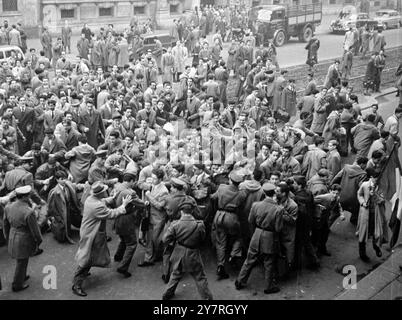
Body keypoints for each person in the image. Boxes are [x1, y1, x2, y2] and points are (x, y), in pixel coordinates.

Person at [72, 182, 132, 297]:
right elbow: (111, 214)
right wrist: (123, 205)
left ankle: (83, 273)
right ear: (101, 193)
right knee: (86, 258)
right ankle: (76, 284)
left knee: (89, 255)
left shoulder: (91, 199)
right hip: (91, 235)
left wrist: (113, 198)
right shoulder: (97, 206)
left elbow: (103, 201)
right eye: (104, 190)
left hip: (89, 233)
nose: (106, 191)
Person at [235, 183, 284, 294]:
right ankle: (268, 286)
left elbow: (250, 220)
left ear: (264, 193)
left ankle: (240, 281)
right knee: (268, 262)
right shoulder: (278, 209)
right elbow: (278, 228)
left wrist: (256, 230)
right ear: (274, 193)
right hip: (269, 237)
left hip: (256, 234)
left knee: (249, 260)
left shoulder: (256, 205)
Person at [162, 197, 213, 300]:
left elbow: (165, 239)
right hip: (193, 253)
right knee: (200, 277)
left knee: (176, 274)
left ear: (181, 211)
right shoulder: (199, 225)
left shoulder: (175, 225)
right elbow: (202, 238)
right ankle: (207, 298)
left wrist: (175, 241)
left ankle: (167, 294)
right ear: (192, 211)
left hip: (179, 252)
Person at [3, 185, 42, 292]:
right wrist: (38, 241)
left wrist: (7, 237)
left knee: (22, 260)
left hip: (12, 235)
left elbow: (5, 224)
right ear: (25, 197)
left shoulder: (8, 207)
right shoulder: (28, 212)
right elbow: (35, 230)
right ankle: (17, 284)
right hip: (23, 239)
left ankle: (23, 276)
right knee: (22, 262)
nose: (29, 197)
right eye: (28, 195)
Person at [210, 171, 247, 279]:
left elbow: (213, 198)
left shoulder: (222, 188)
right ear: (239, 183)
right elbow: (241, 207)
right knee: (239, 237)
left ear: (230, 180)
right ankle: (233, 255)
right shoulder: (242, 193)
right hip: (232, 217)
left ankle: (220, 265)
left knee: (220, 242)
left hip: (219, 216)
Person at [113, 172, 148, 278]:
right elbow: (140, 203)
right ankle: (123, 267)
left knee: (123, 239)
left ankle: (118, 256)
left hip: (118, 217)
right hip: (127, 220)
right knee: (132, 243)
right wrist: (146, 202)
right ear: (131, 181)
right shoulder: (130, 192)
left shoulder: (117, 187)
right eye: (134, 181)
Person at [356, 167, 388, 262]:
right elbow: (359, 194)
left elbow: (382, 200)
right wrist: (362, 202)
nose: (377, 180)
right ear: (371, 177)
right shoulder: (365, 185)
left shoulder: (382, 187)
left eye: (379, 178)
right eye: (375, 178)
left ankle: (376, 246)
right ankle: (362, 253)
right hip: (365, 213)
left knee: (377, 232)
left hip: (377, 214)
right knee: (363, 233)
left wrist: (374, 195)